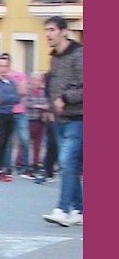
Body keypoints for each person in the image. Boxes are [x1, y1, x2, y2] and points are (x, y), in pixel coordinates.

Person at [42, 17, 83, 227]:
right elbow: (53, 85)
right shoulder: (54, 58)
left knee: (67, 162)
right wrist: (50, 107)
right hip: (58, 118)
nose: (48, 34)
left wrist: (66, 98)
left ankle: (62, 209)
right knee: (70, 165)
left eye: (52, 30)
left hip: (78, 117)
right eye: (46, 30)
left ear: (64, 32)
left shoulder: (79, 55)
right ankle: (80, 210)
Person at [0, 54, 21, 182]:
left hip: (9, 114)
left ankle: (3, 168)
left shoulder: (11, 82)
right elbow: (0, 96)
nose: (3, 69)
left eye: (5, 66)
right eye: (1, 66)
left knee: (7, 142)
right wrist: (7, 99)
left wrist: (7, 99)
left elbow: (16, 97)